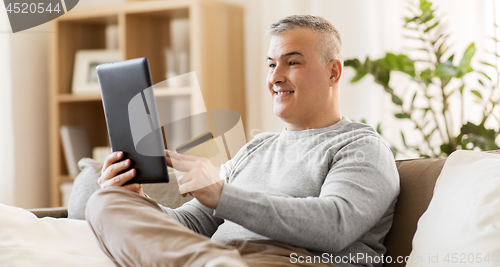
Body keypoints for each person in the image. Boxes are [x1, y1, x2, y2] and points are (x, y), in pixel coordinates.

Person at [86, 15, 400, 267]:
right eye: (271, 64)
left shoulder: (361, 148)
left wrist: (223, 195)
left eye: (292, 62)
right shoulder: (255, 149)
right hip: (219, 256)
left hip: (289, 261)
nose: (276, 76)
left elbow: (335, 226)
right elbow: (193, 224)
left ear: (333, 72)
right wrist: (139, 202)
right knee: (104, 202)